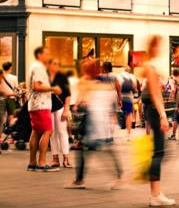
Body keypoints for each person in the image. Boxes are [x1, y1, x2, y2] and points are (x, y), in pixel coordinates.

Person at [64, 59, 123, 189]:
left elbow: (83, 100)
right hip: (95, 122)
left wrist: (79, 105)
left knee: (96, 150)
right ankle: (81, 179)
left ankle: (80, 180)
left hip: (94, 123)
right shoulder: (98, 83)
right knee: (94, 149)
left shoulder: (93, 83)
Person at [140, 36, 175, 206]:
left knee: (159, 151)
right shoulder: (150, 67)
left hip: (152, 111)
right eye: (158, 46)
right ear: (152, 47)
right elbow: (155, 94)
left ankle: (156, 192)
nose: (160, 49)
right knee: (159, 152)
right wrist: (163, 116)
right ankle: (155, 195)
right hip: (154, 111)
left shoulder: (149, 66)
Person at [27, 47, 62, 172]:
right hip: (41, 104)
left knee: (36, 131)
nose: (48, 56)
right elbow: (37, 86)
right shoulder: (39, 67)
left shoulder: (33, 66)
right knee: (48, 131)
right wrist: (53, 89)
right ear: (39, 55)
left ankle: (32, 163)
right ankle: (42, 162)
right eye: (46, 54)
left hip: (34, 104)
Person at [48, 59, 72, 169]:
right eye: (54, 64)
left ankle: (66, 158)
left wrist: (66, 110)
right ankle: (55, 159)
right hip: (47, 108)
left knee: (62, 132)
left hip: (60, 107)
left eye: (58, 64)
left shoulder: (62, 78)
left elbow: (68, 95)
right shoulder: (45, 77)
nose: (56, 66)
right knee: (52, 134)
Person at [117, 66, 137, 140]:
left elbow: (117, 86)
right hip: (129, 97)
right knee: (129, 115)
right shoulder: (132, 76)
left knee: (118, 113)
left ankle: (115, 130)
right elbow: (134, 87)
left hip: (120, 97)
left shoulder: (119, 75)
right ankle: (128, 135)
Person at [1, 61, 18, 126]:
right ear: (10, 68)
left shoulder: (1, 77)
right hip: (11, 98)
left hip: (2, 98)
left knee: (2, 115)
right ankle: (10, 129)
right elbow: (16, 88)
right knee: (11, 115)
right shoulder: (14, 77)